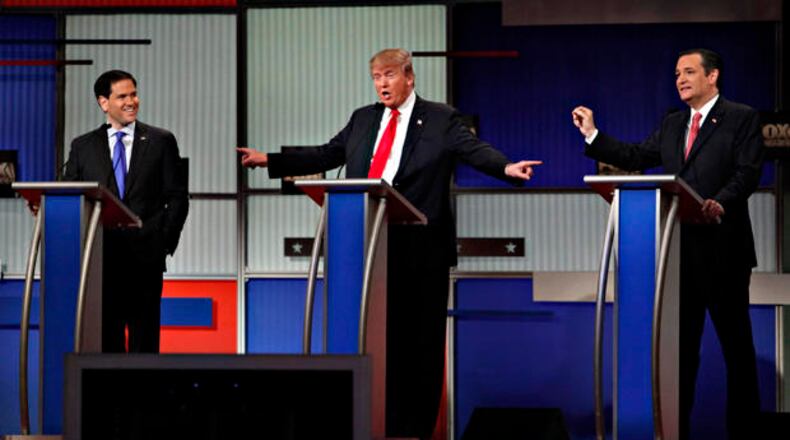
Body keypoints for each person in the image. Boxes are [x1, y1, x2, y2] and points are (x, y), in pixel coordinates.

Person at [239, 48, 541, 439]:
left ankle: (414, 431)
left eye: (389, 75)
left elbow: (474, 151)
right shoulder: (363, 119)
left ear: (409, 77)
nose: (382, 84)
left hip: (421, 249)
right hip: (368, 249)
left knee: (420, 345)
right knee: (380, 341)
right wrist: (271, 160)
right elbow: (328, 153)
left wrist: (506, 167)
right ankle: (373, 424)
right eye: (376, 77)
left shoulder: (441, 118)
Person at [572, 48, 763, 438]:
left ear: (712, 76)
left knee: (737, 353)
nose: (680, 79)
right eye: (677, 73)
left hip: (725, 252)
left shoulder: (740, 117)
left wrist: (720, 202)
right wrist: (593, 134)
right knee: (680, 355)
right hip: (678, 257)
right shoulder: (673, 123)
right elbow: (635, 156)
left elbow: (748, 172)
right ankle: (675, 432)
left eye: (689, 72)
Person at [65, 70, 189, 353]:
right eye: (122, 96)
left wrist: (163, 243)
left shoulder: (161, 141)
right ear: (103, 102)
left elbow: (178, 197)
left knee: (144, 343)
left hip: (146, 259)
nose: (131, 101)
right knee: (106, 342)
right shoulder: (83, 147)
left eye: (134, 94)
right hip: (101, 260)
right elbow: (71, 195)